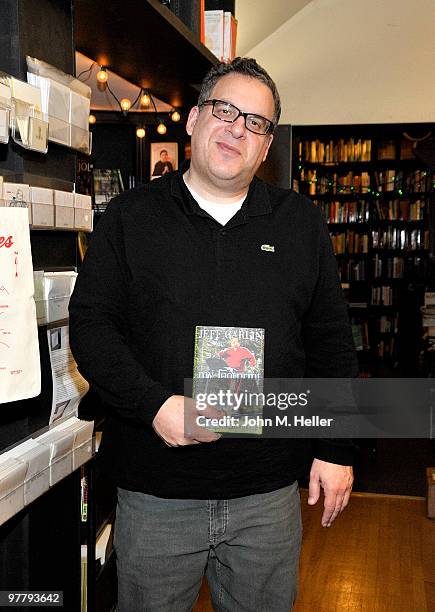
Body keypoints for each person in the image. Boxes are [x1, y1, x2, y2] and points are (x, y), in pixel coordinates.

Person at [69, 57, 358, 611]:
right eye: (225, 110)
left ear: (267, 146)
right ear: (194, 119)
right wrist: (154, 405)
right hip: (156, 492)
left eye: (256, 123)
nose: (237, 129)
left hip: (267, 495)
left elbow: (331, 341)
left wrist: (336, 448)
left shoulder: (300, 224)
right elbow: (91, 326)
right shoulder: (130, 218)